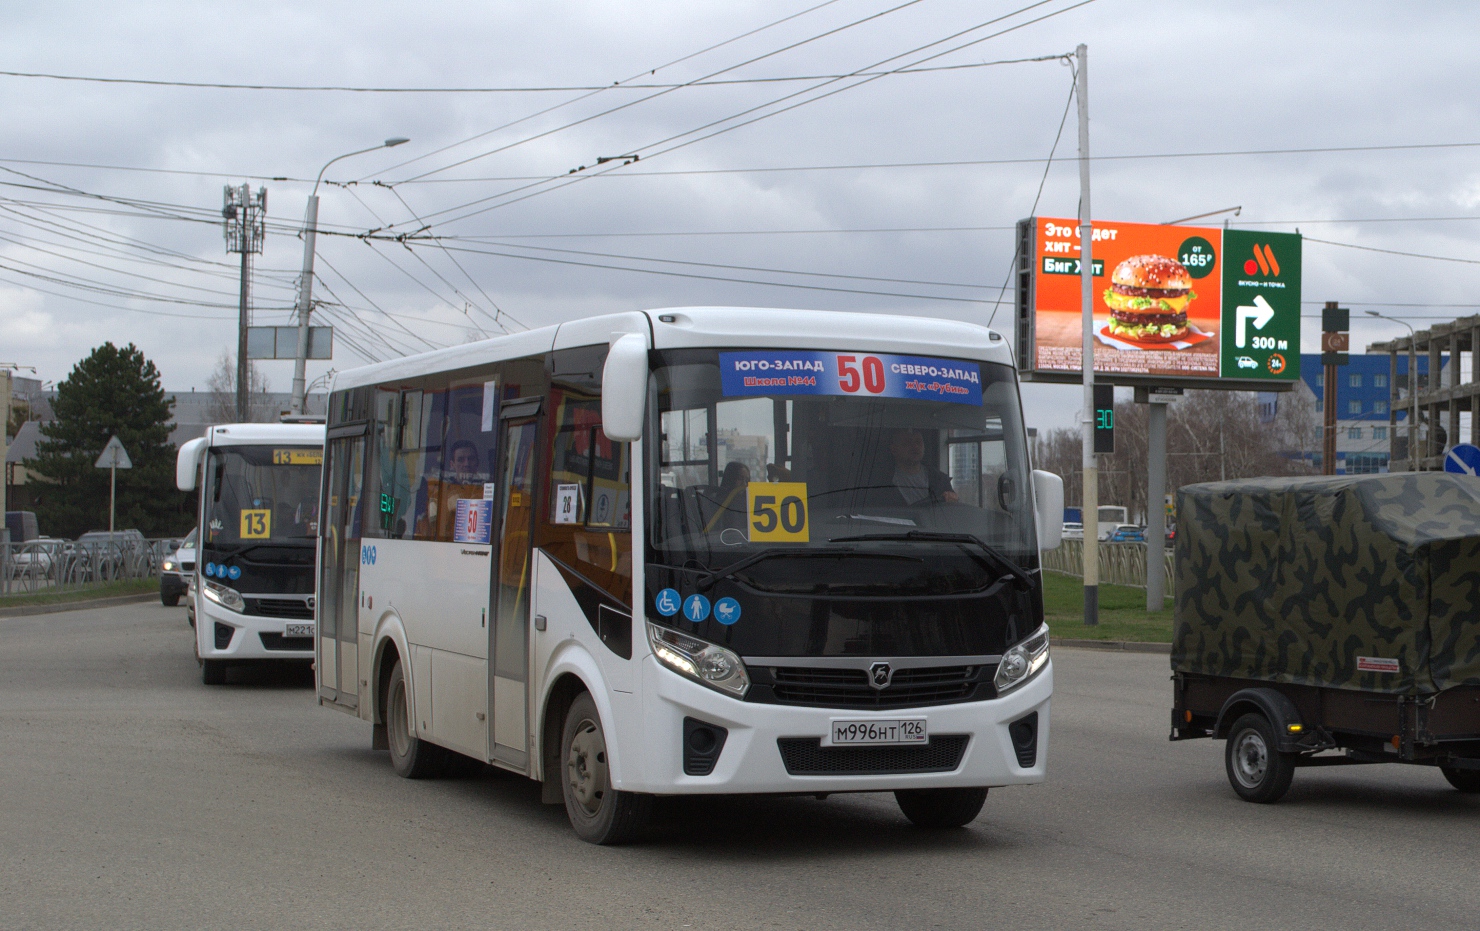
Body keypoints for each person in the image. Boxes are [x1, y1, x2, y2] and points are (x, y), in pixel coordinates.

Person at [884, 428, 958, 506]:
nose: (915, 446)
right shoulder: (882, 480)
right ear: (894, 449)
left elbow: (952, 508)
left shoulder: (940, 480)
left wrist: (953, 498)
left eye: (918, 442)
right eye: (908, 442)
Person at [704, 461, 751, 532]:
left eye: (747, 480)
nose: (744, 484)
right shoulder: (716, 503)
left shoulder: (750, 504)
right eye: (740, 478)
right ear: (730, 479)